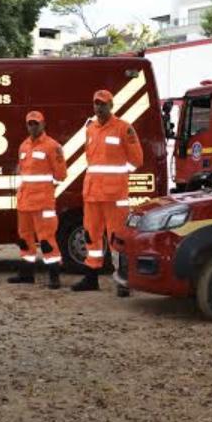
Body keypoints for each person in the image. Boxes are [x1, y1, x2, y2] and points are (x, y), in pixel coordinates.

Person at [71, 89, 143, 296]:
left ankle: (122, 281)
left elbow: (137, 161)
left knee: (117, 239)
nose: (99, 107)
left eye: (103, 104)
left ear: (111, 106)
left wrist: (118, 178)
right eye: (96, 104)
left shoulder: (124, 129)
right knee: (91, 236)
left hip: (114, 196)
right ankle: (91, 278)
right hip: (93, 194)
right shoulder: (90, 129)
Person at [8, 111, 68, 288]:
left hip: (43, 203)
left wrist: (47, 190)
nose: (33, 127)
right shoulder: (24, 146)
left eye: (36, 123)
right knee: (24, 239)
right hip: (25, 202)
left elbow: (61, 175)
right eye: (30, 124)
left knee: (47, 240)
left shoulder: (53, 146)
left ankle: (54, 276)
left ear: (43, 124)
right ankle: (27, 274)